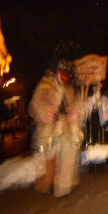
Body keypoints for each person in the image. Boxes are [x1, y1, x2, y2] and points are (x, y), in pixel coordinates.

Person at [29, 59, 84, 197]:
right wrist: (42, 113)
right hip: (49, 130)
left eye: (67, 76)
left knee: (68, 156)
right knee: (46, 159)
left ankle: (63, 188)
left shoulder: (72, 89)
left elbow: (80, 107)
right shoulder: (45, 84)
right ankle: (45, 186)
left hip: (66, 129)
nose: (64, 78)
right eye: (62, 74)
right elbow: (34, 105)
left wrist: (76, 113)